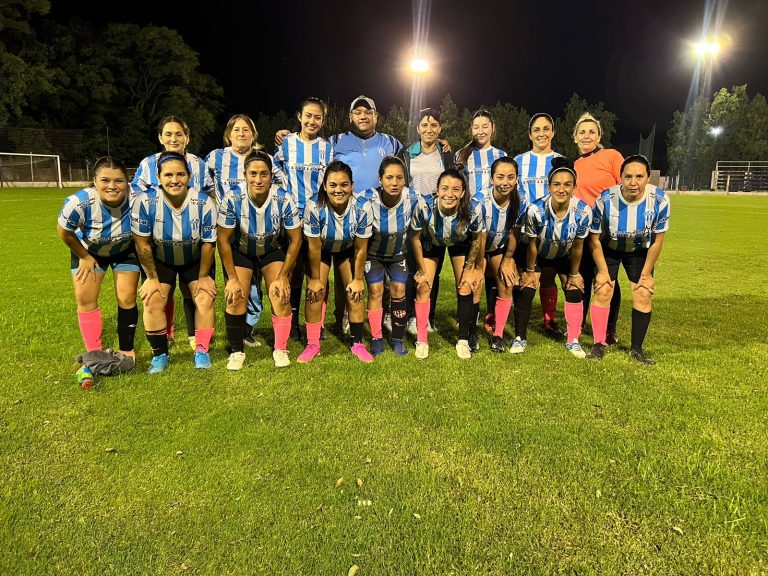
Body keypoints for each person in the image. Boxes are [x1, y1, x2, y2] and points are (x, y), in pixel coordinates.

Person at [132, 151, 218, 373]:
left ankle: (202, 350)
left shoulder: (204, 202)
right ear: (158, 177)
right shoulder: (145, 201)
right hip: (161, 260)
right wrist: (151, 278)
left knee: (204, 297)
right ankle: (160, 355)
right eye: (168, 175)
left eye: (180, 174)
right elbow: (142, 243)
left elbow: (209, 244)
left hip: (195, 259)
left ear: (189, 176)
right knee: (152, 299)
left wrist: (203, 276)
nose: (175, 180)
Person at [217, 150, 303, 370]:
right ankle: (237, 351)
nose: (258, 179)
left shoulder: (283, 197)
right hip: (242, 250)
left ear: (271, 176)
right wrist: (232, 278)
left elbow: (295, 239)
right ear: (245, 174)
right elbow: (223, 240)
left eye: (263, 174)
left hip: (270, 250)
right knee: (236, 295)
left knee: (281, 293)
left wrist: (284, 275)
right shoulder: (232, 197)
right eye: (253, 173)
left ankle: (280, 348)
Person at [586, 155, 670, 364]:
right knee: (604, 289)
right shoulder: (605, 199)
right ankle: (598, 344)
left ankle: (637, 349)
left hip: (640, 251)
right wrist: (603, 272)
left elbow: (658, 241)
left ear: (648, 178)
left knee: (643, 293)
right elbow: (594, 239)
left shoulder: (659, 200)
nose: (633, 182)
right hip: (609, 248)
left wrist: (647, 274)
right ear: (620, 178)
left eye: (639, 177)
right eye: (628, 176)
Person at [132, 116, 207, 351]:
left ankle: (195, 335)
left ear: (187, 137)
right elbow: (135, 195)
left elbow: (212, 193)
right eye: (168, 134)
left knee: (190, 288)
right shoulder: (148, 163)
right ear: (160, 138)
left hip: (190, 239)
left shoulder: (199, 164)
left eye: (178, 134)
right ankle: (167, 332)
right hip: (158, 239)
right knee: (162, 289)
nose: (173, 138)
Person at [57, 156, 139, 364]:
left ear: (127, 182)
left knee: (127, 297)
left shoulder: (137, 198)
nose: (112, 186)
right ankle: (95, 353)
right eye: (105, 180)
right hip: (89, 252)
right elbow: (64, 231)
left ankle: (127, 351)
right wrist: (84, 257)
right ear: (95, 181)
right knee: (85, 298)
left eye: (119, 180)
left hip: (124, 250)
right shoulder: (79, 202)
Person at [512, 158, 591, 357]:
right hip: (537, 253)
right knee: (526, 286)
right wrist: (530, 271)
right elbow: (531, 244)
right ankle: (520, 337)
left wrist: (574, 274)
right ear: (549, 186)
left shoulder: (583, 211)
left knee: (574, 288)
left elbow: (578, 247)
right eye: (556, 184)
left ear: (574, 187)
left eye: (567, 184)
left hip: (564, 252)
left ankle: (573, 339)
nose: (561, 189)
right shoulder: (535, 210)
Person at [299, 160, 374, 363]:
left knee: (355, 291)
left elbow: (360, 248)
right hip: (321, 249)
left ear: (352, 185)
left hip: (347, 249)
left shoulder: (362, 207)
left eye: (344, 185)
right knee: (315, 291)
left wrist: (358, 278)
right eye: (333, 185)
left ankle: (357, 343)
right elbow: (313, 247)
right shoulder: (314, 206)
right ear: (324, 186)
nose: (338, 190)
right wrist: (315, 279)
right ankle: (313, 343)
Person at [273, 97, 334, 342]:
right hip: (292, 218)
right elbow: (273, 171)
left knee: (318, 270)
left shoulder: (327, 147)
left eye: (317, 117)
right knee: (294, 271)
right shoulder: (286, 143)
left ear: (323, 120)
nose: (312, 121)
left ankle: (317, 323)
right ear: (299, 116)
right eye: (308, 115)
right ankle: (295, 322)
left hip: (319, 217)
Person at [205, 114, 268, 347]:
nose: (241, 134)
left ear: (253, 134)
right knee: (237, 282)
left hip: (261, 230)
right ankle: (239, 330)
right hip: (231, 233)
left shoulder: (262, 158)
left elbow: (279, 184)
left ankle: (247, 326)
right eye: (236, 130)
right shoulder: (215, 158)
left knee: (256, 284)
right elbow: (203, 185)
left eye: (246, 130)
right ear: (228, 134)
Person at [411, 168, 486, 360]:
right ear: (437, 190)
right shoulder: (424, 206)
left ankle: (463, 339)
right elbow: (415, 238)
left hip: (459, 242)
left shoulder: (473, 208)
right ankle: (422, 339)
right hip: (431, 241)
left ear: (462, 193)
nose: (449, 194)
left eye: (455, 189)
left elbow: (477, 239)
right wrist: (421, 269)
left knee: (465, 285)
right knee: (423, 285)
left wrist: (471, 269)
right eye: (445, 188)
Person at [400, 107, 455, 337]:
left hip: (437, 221)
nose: (429, 129)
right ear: (418, 129)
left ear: (440, 128)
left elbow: (453, 183)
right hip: (413, 221)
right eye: (424, 125)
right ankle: (412, 317)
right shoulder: (407, 154)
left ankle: (428, 317)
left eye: (433, 125)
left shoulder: (445, 154)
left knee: (434, 272)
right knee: (413, 270)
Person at [359, 156, 419, 356]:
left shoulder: (412, 198)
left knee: (399, 289)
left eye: (399, 178)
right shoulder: (367, 199)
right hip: (373, 255)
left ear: (405, 180)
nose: (394, 183)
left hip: (397, 255)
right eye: (389, 178)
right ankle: (376, 338)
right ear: (380, 179)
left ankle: (397, 338)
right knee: (375, 291)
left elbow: (435, 202)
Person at [573, 112, 624, 344]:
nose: (586, 136)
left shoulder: (611, 156)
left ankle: (610, 329)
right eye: (582, 132)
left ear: (599, 135)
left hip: (607, 231)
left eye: (591, 131)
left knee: (608, 279)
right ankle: (579, 322)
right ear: (575, 137)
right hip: (583, 232)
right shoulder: (575, 165)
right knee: (583, 277)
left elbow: (626, 188)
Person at [512, 113, 564, 338]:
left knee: (548, 276)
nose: (541, 133)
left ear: (552, 132)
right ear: (530, 134)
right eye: (536, 129)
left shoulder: (560, 160)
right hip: (527, 230)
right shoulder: (519, 160)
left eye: (546, 129)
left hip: (554, 230)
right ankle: (517, 319)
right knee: (525, 275)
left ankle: (549, 320)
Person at [478, 157, 527, 353]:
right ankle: (469, 332)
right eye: (500, 177)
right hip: (475, 246)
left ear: (517, 179)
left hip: (499, 247)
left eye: (510, 177)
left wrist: (508, 259)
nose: (505, 182)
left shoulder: (520, 201)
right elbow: (477, 239)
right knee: (472, 284)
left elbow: (515, 232)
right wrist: (478, 264)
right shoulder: (479, 201)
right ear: (491, 179)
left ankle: (497, 334)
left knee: (507, 283)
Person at [454, 109, 507, 198]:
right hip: (468, 210)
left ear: (493, 128)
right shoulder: (460, 154)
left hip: (493, 210)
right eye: (476, 127)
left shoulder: (502, 155)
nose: (480, 132)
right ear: (472, 129)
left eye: (485, 127)